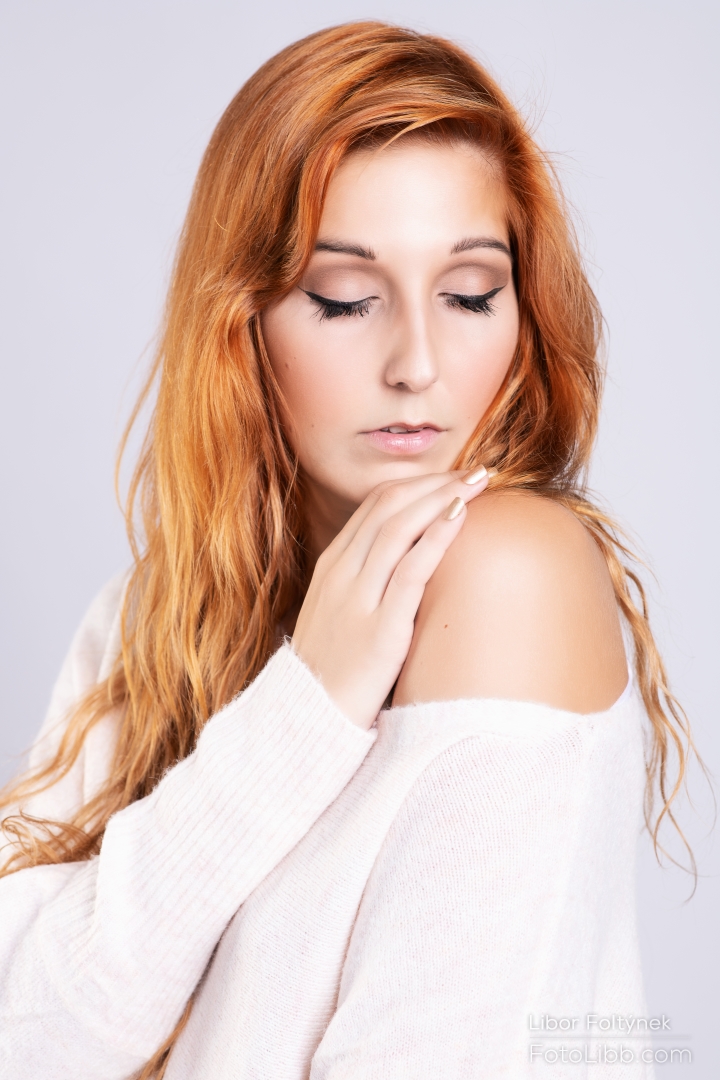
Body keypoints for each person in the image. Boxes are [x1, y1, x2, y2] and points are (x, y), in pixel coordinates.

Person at [0, 21, 700, 1079]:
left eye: (470, 293)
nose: (417, 361)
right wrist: (306, 707)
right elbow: (30, 1040)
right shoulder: (147, 619)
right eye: (345, 299)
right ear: (242, 321)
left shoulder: (509, 576)